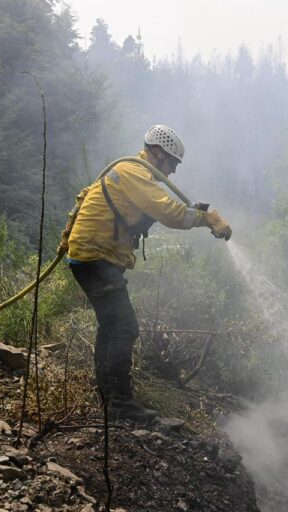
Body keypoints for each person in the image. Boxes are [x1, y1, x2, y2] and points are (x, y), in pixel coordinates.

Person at [63, 125, 232, 420]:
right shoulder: (134, 173)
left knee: (111, 325)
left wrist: (67, 235)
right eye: (172, 164)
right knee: (124, 327)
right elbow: (171, 212)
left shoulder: (130, 171)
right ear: (156, 153)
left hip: (91, 256)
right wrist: (208, 218)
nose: (174, 172)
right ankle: (119, 404)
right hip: (96, 256)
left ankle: (107, 395)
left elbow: (83, 197)